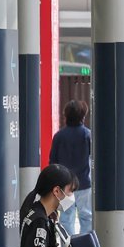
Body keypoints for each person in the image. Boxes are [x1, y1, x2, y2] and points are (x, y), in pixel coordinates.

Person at [50, 100, 93, 235]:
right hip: (84, 183)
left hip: (64, 186)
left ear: (66, 115)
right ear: (83, 116)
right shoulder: (87, 135)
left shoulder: (59, 136)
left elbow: (53, 161)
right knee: (86, 217)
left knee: (66, 218)